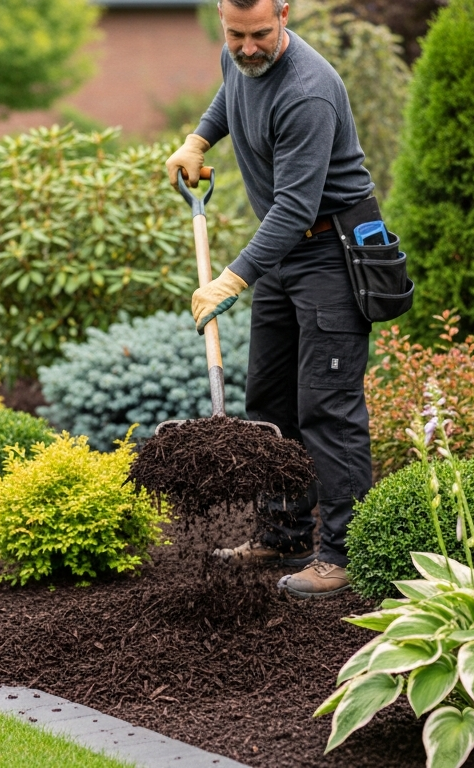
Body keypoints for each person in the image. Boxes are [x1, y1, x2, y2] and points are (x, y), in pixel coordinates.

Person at [166, 0, 376, 599]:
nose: (248, 48)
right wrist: (197, 139)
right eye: (236, 35)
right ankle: (284, 534)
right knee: (270, 399)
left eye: (261, 34)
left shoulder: (308, 90)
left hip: (331, 254)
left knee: (328, 410)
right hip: (286, 255)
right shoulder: (238, 55)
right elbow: (230, 93)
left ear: (284, 14)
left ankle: (343, 554)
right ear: (222, 20)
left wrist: (232, 279)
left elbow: (296, 207)